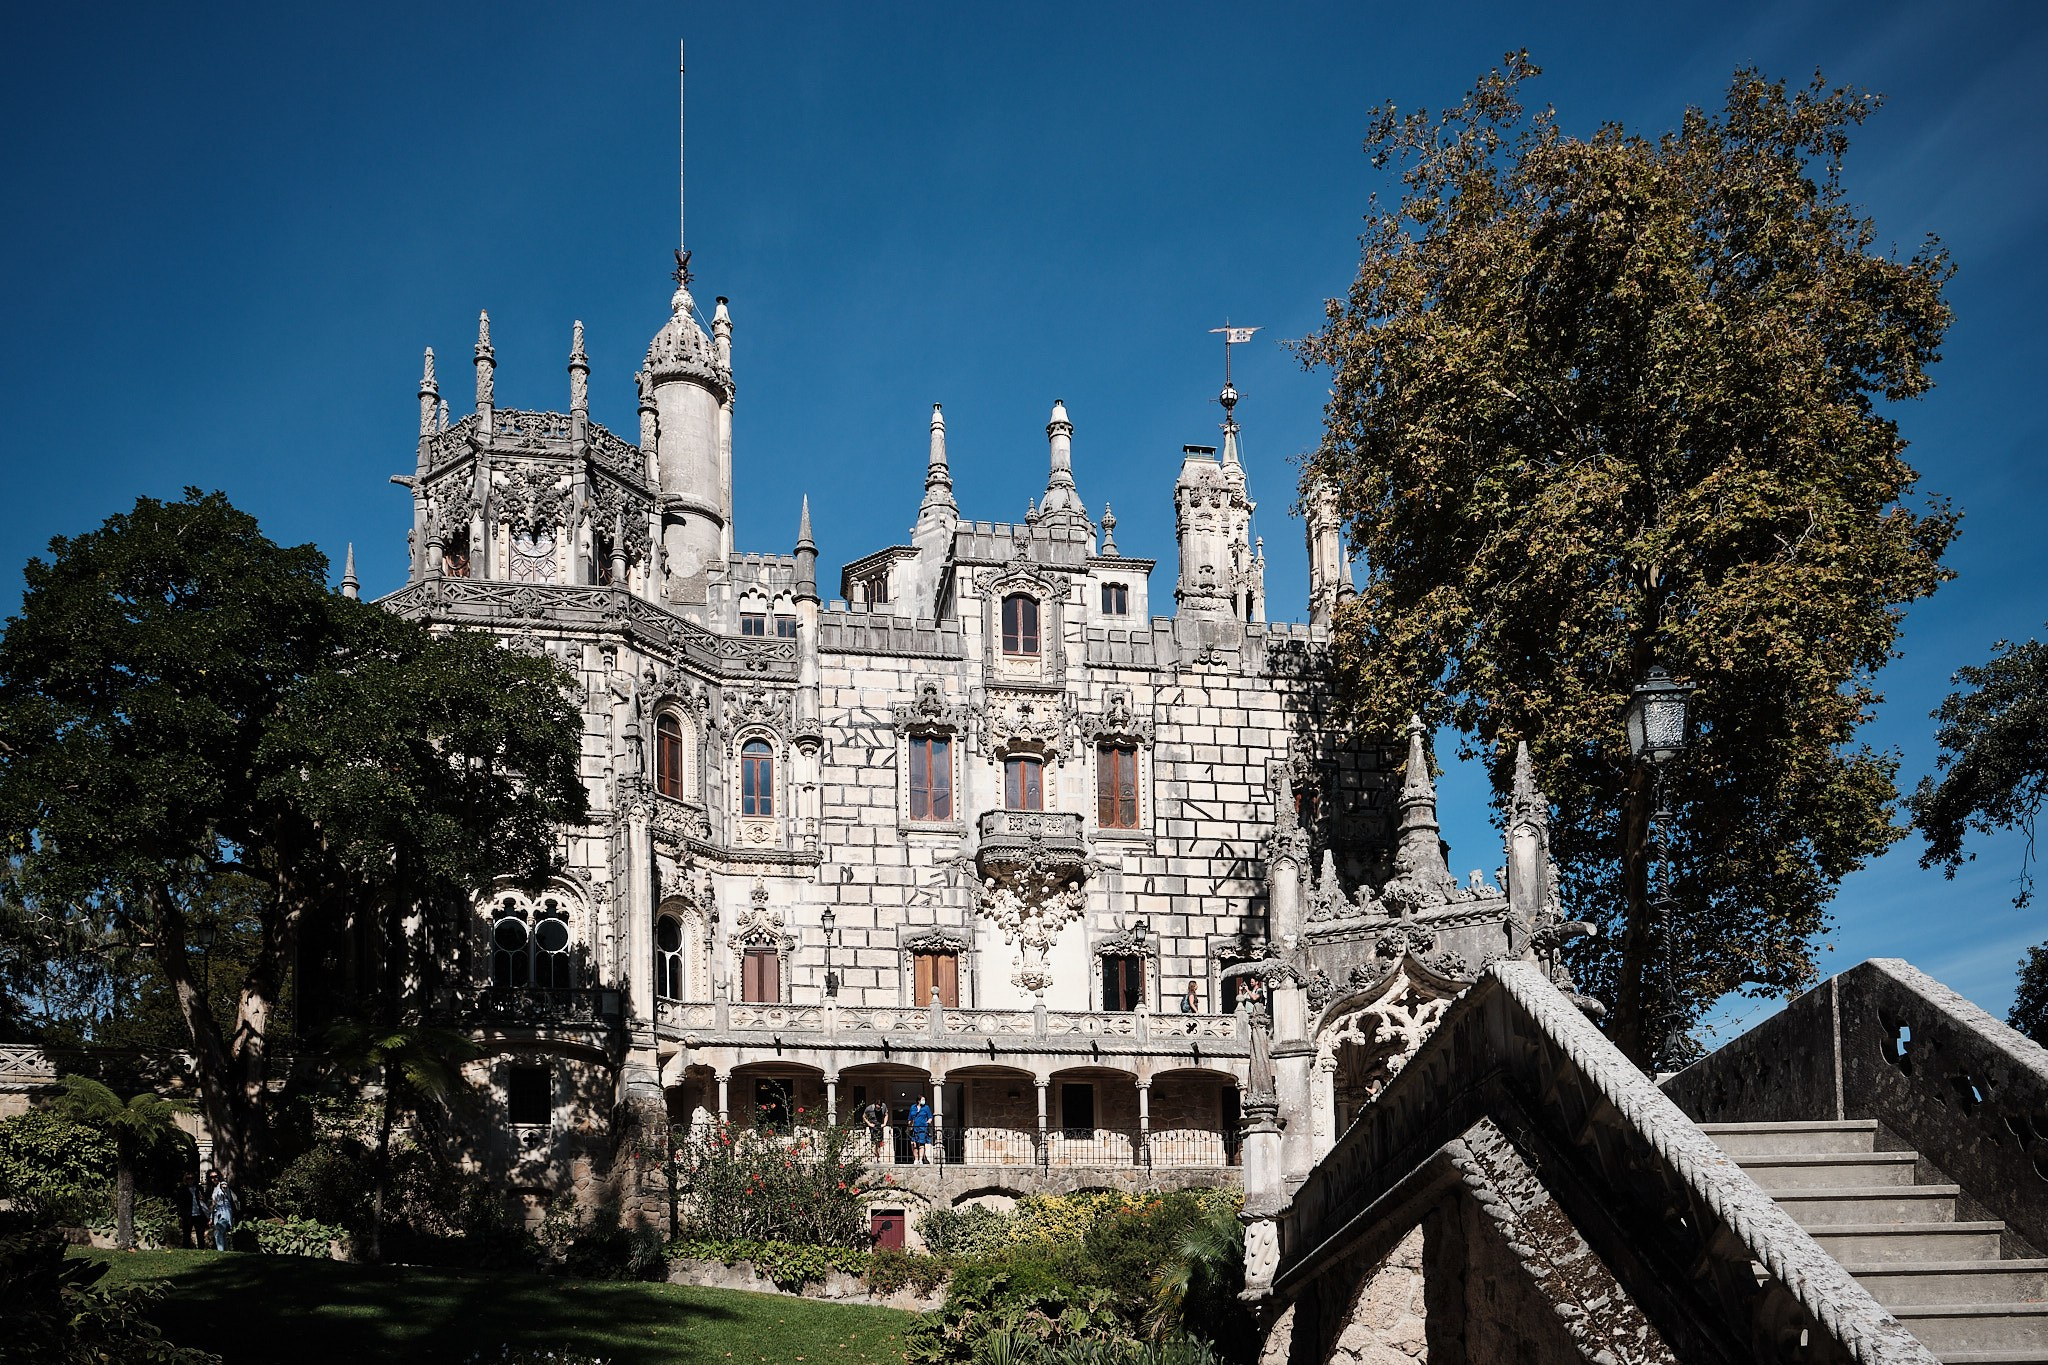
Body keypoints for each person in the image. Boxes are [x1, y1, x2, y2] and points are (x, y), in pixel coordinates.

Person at [208, 1171, 238, 1252]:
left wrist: (224, 1185)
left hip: (225, 1211)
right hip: (217, 1212)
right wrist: (211, 1217)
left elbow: (225, 1187)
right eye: (212, 1177)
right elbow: (214, 1203)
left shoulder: (222, 1184)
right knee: (222, 1233)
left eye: (216, 1176)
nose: (214, 1178)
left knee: (218, 1231)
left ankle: (220, 1251)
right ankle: (225, 1251)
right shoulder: (213, 1188)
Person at [175, 1172, 205, 1248]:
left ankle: (201, 1249)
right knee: (186, 1233)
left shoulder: (199, 1188)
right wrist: (180, 1215)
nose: (190, 1180)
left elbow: (205, 1199)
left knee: (200, 1233)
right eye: (188, 1178)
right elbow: (180, 1203)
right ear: (185, 1179)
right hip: (188, 1214)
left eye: (192, 1178)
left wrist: (203, 1198)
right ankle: (185, 1249)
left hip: (198, 1213)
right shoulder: (182, 1189)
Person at [908, 1095, 933, 1165]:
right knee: (914, 1144)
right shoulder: (913, 1107)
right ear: (918, 1100)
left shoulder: (926, 1108)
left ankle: (920, 1159)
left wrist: (928, 1122)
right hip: (914, 1128)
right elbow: (909, 1118)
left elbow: (930, 1117)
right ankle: (915, 1159)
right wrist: (910, 1124)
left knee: (921, 1144)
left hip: (922, 1128)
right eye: (922, 1099)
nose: (924, 1101)